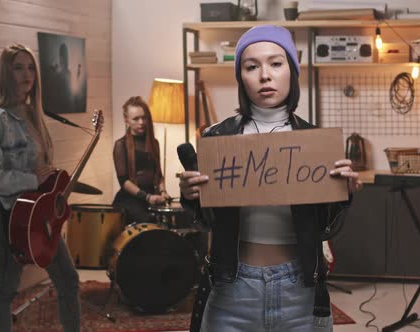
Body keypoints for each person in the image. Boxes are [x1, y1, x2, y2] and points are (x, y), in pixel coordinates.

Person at [179, 25, 362, 332]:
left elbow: (328, 227)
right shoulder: (217, 139)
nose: (265, 75)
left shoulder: (316, 143)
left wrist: (343, 195)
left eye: (276, 63)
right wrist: (191, 195)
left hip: (300, 290)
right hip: (231, 289)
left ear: (292, 70)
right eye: (252, 66)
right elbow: (208, 221)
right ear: (241, 77)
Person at [0, 44, 80, 332]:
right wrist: (30, 180)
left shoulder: (33, 115)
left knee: (68, 278)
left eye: (31, 67)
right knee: (5, 291)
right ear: (6, 73)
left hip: (39, 214)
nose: (27, 74)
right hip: (9, 215)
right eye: (18, 68)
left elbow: (41, 168)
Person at [112, 96, 170, 224]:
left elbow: (158, 174)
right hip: (131, 198)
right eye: (136, 119)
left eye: (144, 118)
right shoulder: (120, 145)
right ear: (126, 120)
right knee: (146, 221)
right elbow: (124, 181)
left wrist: (163, 191)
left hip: (152, 195)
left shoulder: (154, 143)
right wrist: (147, 197)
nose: (141, 122)